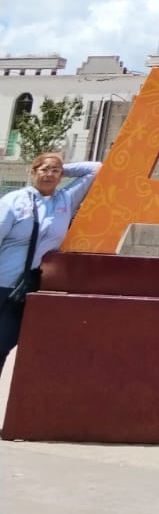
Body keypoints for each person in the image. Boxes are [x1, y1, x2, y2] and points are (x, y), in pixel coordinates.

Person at [0, 151, 101, 373]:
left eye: (55, 171)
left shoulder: (65, 200)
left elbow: (96, 169)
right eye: (44, 169)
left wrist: (63, 167)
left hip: (25, 288)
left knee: (4, 344)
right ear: (32, 172)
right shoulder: (13, 202)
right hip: (2, 284)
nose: (50, 175)